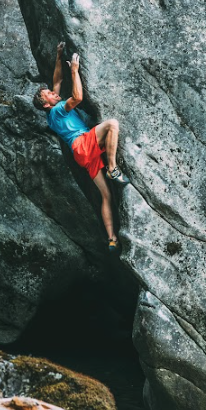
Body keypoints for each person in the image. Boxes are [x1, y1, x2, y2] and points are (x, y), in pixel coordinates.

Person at [33, 42, 129, 252]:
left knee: (106, 195)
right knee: (112, 125)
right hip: (83, 144)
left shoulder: (51, 114)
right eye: (49, 94)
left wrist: (59, 56)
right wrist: (75, 71)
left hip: (81, 155)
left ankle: (112, 239)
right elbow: (77, 98)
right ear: (47, 104)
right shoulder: (58, 109)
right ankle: (112, 168)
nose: (53, 92)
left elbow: (57, 80)